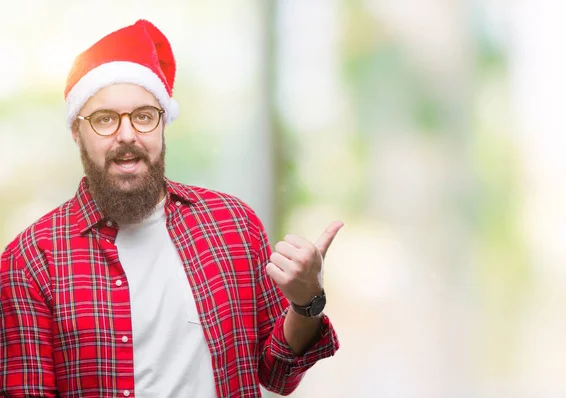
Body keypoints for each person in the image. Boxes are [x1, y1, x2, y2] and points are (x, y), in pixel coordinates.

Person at [0, 19, 342, 397]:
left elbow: (279, 374)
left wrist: (306, 300)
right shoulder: (30, 260)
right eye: (105, 120)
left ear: (163, 125)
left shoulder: (233, 225)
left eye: (144, 116)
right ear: (77, 132)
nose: (127, 135)